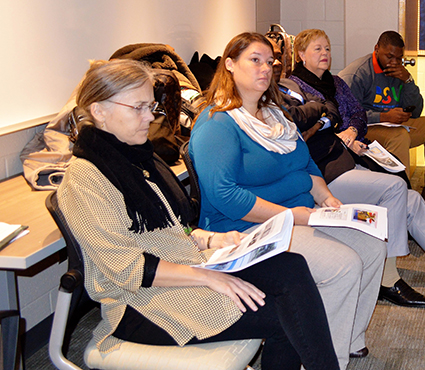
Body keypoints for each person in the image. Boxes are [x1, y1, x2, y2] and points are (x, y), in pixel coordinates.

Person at [56, 59, 338, 370]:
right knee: (284, 316)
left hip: (182, 265)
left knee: (290, 265)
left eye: (151, 107)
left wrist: (212, 239)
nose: (149, 117)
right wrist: (207, 277)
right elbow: (127, 270)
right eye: (138, 108)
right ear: (99, 111)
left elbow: (169, 230)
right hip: (140, 302)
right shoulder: (86, 178)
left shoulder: (136, 159)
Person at [188, 32, 386, 369]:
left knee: (373, 247)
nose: (265, 68)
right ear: (230, 65)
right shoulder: (216, 123)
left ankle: (347, 337)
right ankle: (324, 358)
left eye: (270, 62)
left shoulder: (275, 116)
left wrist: (325, 197)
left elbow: (306, 165)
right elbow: (225, 197)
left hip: (299, 215)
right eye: (255, 60)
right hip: (245, 228)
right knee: (343, 264)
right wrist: (292, 216)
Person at [279, 29, 425, 307]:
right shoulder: (291, 86)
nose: (325, 54)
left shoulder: (336, 84)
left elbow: (355, 113)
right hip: (323, 173)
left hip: (347, 160)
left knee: (412, 199)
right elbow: (299, 128)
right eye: (317, 49)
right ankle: (387, 280)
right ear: (301, 54)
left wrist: (353, 129)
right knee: (395, 187)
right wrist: (333, 129)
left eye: (328, 49)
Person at [339, 30, 425, 210]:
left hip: (392, 123)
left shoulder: (399, 72)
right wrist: (383, 116)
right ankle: (401, 197)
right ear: (376, 49)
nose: (394, 62)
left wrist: (408, 80)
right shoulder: (358, 73)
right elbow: (346, 115)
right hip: (365, 128)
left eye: (399, 57)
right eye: (389, 56)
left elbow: (417, 111)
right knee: (399, 136)